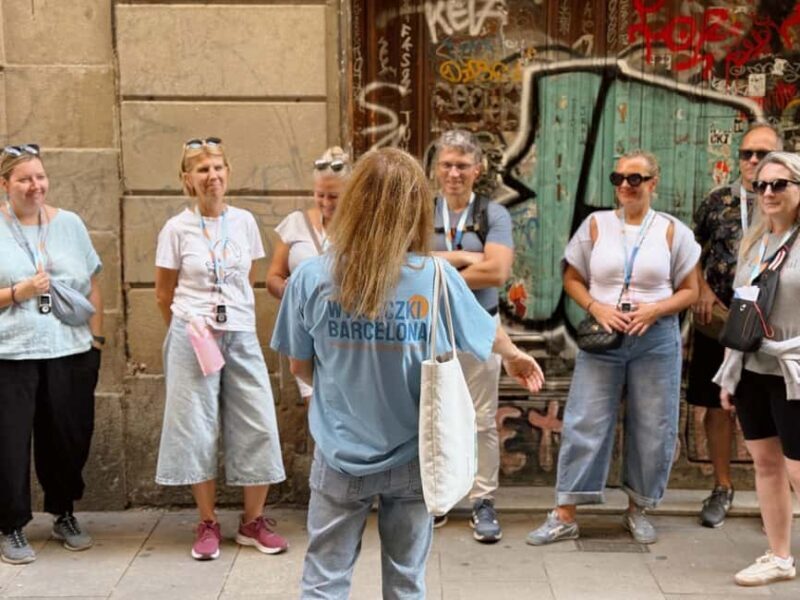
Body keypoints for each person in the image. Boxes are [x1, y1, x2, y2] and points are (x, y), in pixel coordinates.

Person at [270, 147, 545, 599]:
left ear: (354, 200)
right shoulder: (435, 278)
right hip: (415, 455)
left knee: (324, 579)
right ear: (417, 208)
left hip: (340, 454)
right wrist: (513, 354)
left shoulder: (311, 278)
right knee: (406, 581)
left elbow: (301, 365)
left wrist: (344, 389)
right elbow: (484, 331)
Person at [527, 150, 700, 546]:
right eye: (617, 177)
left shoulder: (673, 231)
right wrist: (595, 306)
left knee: (653, 424)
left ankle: (639, 508)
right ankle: (565, 512)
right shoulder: (596, 225)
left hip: (654, 338)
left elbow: (691, 290)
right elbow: (571, 278)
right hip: (603, 336)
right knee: (585, 418)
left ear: (653, 183)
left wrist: (656, 308)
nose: (624, 185)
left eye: (635, 178)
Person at [154, 137, 287, 561]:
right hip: (193, 333)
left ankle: (253, 521)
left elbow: (245, 277)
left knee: (259, 422)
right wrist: (189, 329)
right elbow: (163, 292)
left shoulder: (245, 222)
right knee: (196, 426)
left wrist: (228, 318)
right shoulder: (176, 229)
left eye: (217, 168)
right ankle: (207, 521)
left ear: (227, 172)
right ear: (187, 180)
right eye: (202, 170)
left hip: (240, 333)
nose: (212, 177)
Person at [0, 144, 103, 564]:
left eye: (39, 177)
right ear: (5, 184)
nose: (35, 186)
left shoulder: (70, 224)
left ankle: (63, 512)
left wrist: (98, 341)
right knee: (8, 444)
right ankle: (11, 525)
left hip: (70, 352)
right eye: (24, 179)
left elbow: (93, 278)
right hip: (10, 355)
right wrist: (17, 293)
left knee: (67, 437)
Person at [689, 123, 782, 528]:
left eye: (762, 154)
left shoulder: (790, 200)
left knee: (777, 405)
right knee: (716, 404)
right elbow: (690, 252)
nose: (753, 161)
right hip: (723, 320)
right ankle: (722, 486)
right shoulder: (719, 200)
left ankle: (779, 493)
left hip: (776, 322)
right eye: (746, 153)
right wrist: (702, 289)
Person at [714, 151, 800, 587]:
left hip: (794, 371)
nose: (768, 192)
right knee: (765, 464)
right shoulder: (755, 241)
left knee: (799, 469)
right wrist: (730, 373)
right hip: (753, 369)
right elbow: (741, 310)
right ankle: (780, 555)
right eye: (761, 185)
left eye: (780, 184)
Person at [430, 129, 514, 543]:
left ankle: (483, 501)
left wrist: (435, 269)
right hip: (431, 330)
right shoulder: (421, 210)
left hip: (480, 327)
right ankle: (438, 498)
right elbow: (402, 261)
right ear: (436, 169)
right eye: (447, 164)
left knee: (482, 420)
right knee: (431, 414)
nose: (454, 173)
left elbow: (497, 271)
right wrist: (463, 257)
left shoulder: (493, 214)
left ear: (477, 170)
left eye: (462, 165)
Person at [266, 147, 350, 404]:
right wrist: (290, 292)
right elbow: (273, 277)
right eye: (320, 195)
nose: (326, 203)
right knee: (315, 405)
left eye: (334, 196)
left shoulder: (359, 227)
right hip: (305, 330)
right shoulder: (296, 222)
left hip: (344, 333)